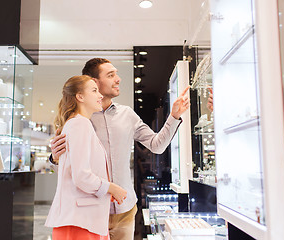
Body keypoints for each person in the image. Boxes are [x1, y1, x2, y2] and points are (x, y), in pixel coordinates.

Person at [50, 58, 190, 240]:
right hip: (89, 211)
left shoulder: (127, 115)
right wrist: (54, 158)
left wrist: (174, 116)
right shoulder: (78, 120)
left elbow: (157, 145)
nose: (118, 79)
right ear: (93, 81)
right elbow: (69, 171)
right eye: (110, 75)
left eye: (116, 73)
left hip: (125, 209)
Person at [45, 75, 127, 240]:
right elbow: (81, 176)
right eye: (94, 90)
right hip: (81, 222)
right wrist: (112, 188)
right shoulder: (80, 124)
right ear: (79, 96)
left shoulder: (77, 124)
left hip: (82, 220)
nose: (100, 95)